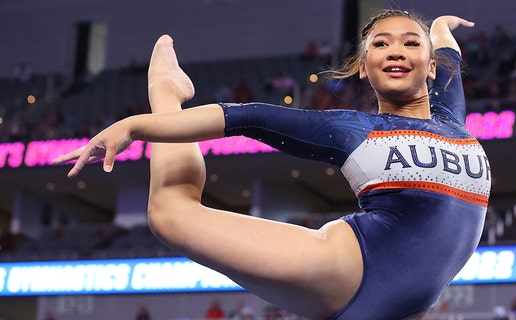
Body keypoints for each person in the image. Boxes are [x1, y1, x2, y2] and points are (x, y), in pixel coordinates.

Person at [54, 10, 489, 320]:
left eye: (411, 43)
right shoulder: (353, 129)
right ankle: (166, 91)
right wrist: (136, 126)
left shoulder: (452, 114)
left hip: (411, 302)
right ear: (363, 68)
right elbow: (247, 117)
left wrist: (439, 26)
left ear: (430, 67)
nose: (396, 50)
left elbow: (450, 56)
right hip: (348, 267)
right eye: (381, 43)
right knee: (169, 214)